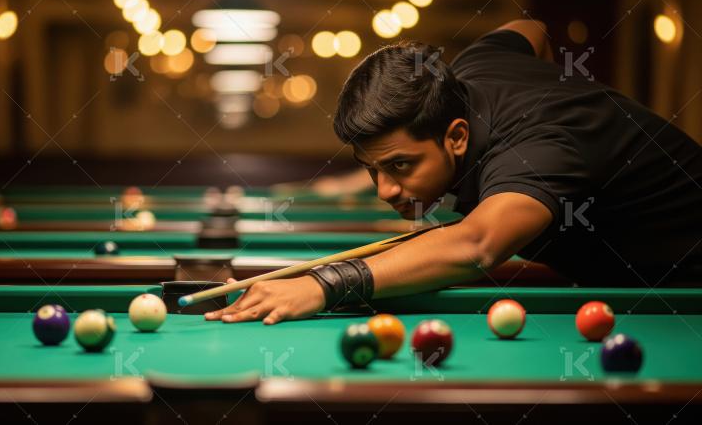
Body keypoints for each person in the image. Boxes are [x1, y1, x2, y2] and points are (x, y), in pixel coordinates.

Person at [206, 20, 702, 324]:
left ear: (458, 137)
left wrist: (323, 283)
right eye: (372, 169)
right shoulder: (474, 67)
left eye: (400, 166)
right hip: (625, 285)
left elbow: (476, 245)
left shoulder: (539, 148)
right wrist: (551, 81)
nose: (385, 191)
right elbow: (529, 28)